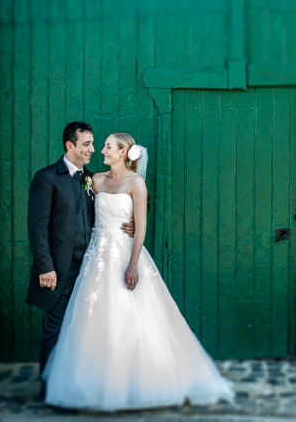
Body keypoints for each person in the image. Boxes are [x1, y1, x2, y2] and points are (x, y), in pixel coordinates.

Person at [42, 133, 233, 410]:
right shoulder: (94, 181)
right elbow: (82, 212)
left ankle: (140, 383)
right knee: (94, 317)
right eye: (102, 146)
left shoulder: (137, 183)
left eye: (108, 147)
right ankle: (93, 383)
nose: (102, 150)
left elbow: (140, 225)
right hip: (96, 256)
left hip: (125, 255)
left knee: (133, 316)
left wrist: (133, 263)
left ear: (123, 152)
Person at [26, 122, 134, 396]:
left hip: (91, 266)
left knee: (85, 328)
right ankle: (50, 388)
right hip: (60, 268)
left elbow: (123, 194)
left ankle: (79, 383)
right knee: (55, 326)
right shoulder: (47, 177)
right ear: (69, 146)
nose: (93, 149)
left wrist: (130, 220)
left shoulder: (91, 178)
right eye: (86, 144)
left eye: (94, 143)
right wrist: (45, 267)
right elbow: (36, 227)